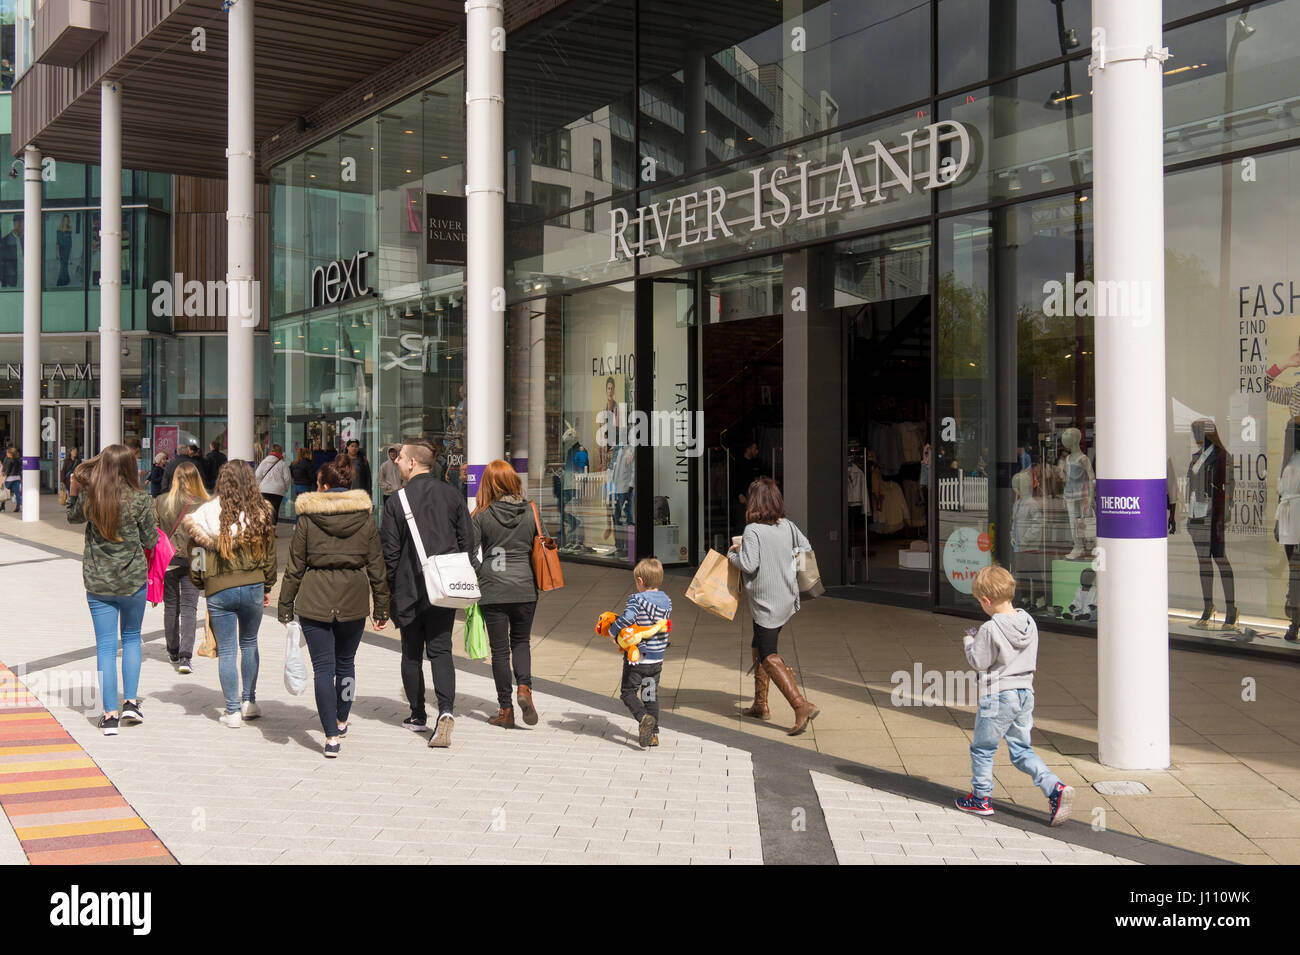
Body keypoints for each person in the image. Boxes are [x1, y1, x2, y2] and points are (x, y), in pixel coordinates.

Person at [278, 453, 389, 758]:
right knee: (347, 664)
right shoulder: (366, 520)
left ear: (324, 486)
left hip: (315, 599)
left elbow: (295, 567)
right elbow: (377, 567)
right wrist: (382, 608)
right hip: (354, 599)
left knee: (323, 669)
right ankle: (342, 719)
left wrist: (285, 606)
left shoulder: (308, 519)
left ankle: (330, 737)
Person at [955, 564, 1074, 827]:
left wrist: (968, 641)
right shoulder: (1028, 621)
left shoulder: (989, 628)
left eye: (980, 602)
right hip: (1024, 693)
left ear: (986, 601)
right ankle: (1054, 787)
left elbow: (979, 661)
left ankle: (980, 798)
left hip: (998, 696)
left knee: (983, 749)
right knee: (1021, 749)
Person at [381, 440, 472, 748]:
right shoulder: (453, 495)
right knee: (441, 650)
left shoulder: (396, 502)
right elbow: (468, 542)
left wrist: (390, 592)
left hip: (409, 588)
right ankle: (445, 711)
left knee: (410, 653)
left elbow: (390, 554)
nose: (396, 462)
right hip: (444, 587)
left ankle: (418, 715)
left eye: (400, 458)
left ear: (412, 463)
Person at [65, 445, 158, 735]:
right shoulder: (141, 499)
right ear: (131, 467)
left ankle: (108, 715)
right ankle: (130, 702)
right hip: (132, 582)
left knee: (105, 646)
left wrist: (74, 488)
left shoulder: (93, 497)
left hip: (98, 583)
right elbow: (150, 540)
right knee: (131, 639)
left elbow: (71, 517)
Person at [184, 461, 279, 728]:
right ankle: (250, 701)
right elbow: (269, 555)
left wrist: (201, 582)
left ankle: (232, 711)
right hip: (253, 587)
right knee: (249, 643)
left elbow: (196, 556)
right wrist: (268, 585)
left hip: (219, 588)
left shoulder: (204, 514)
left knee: (226, 650)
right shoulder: (260, 513)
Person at [728, 476, 819, 736]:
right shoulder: (787, 525)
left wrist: (733, 552)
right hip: (787, 598)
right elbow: (806, 548)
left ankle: (800, 705)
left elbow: (748, 564)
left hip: (766, 602)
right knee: (759, 645)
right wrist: (785, 563)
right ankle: (760, 704)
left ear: (754, 501)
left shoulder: (753, 530)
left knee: (768, 654)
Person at [471, 459, 542, 729]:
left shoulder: (482, 513)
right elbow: (543, 543)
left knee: (499, 651)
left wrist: (482, 573)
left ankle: (505, 710)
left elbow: (467, 551)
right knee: (521, 642)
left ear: (489, 483)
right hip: (525, 587)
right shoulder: (530, 511)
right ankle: (524, 688)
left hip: (494, 589)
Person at [604, 557, 672, 748]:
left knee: (628, 692)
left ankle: (643, 718)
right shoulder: (667, 601)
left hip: (637, 659)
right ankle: (653, 735)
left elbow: (627, 619)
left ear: (640, 581)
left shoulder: (636, 600)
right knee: (650, 695)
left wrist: (613, 631)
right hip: (656, 660)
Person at [154, 460, 208, 673]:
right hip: (194, 559)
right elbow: (207, 537)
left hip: (168, 560)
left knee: (171, 606)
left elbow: (154, 532)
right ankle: (186, 656)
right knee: (189, 608)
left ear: (175, 478)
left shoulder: (161, 501)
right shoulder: (203, 503)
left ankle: (173, 649)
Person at [254, 443, 292, 526]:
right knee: (275, 510)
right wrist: (285, 488)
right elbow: (287, 478)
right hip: (278, 491)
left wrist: (260, 485)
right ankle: (273, 530)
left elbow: (257, 475)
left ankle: (265, 528)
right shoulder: (283, 464)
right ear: (280, 452)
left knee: (264, 510)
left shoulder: (264, 462)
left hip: (264, 490)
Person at [2, 446, 20, 512]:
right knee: (17, 492)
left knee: (4, 492)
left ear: (10, 453)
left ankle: (2, 507)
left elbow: (7, 470)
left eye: (7, 452)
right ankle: (18, 506)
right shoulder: (18, 459)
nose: (6, 453)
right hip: (17, 477)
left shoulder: (8, 460)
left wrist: (3, 479)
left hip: (9, 478)